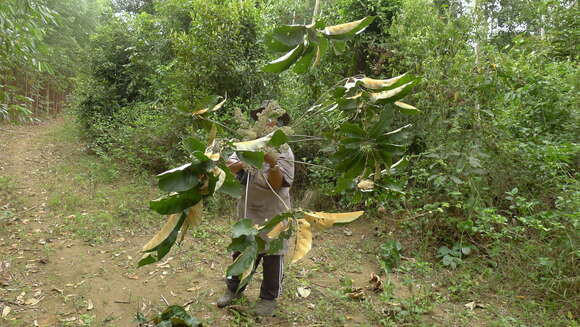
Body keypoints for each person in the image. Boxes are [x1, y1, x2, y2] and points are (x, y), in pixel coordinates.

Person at [217, 101, 294, 317]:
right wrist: (247, 157)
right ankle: (234, 290)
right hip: (248, 210)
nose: (268, 122)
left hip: (273, 211)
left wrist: (272, 161)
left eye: (273, 119)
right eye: (263, 117)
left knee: (272, 254)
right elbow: (229, 168)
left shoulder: (284, 150)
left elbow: (278, 184)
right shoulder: (245, 144)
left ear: (279, 124)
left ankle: (268, 299)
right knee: (242, 250)